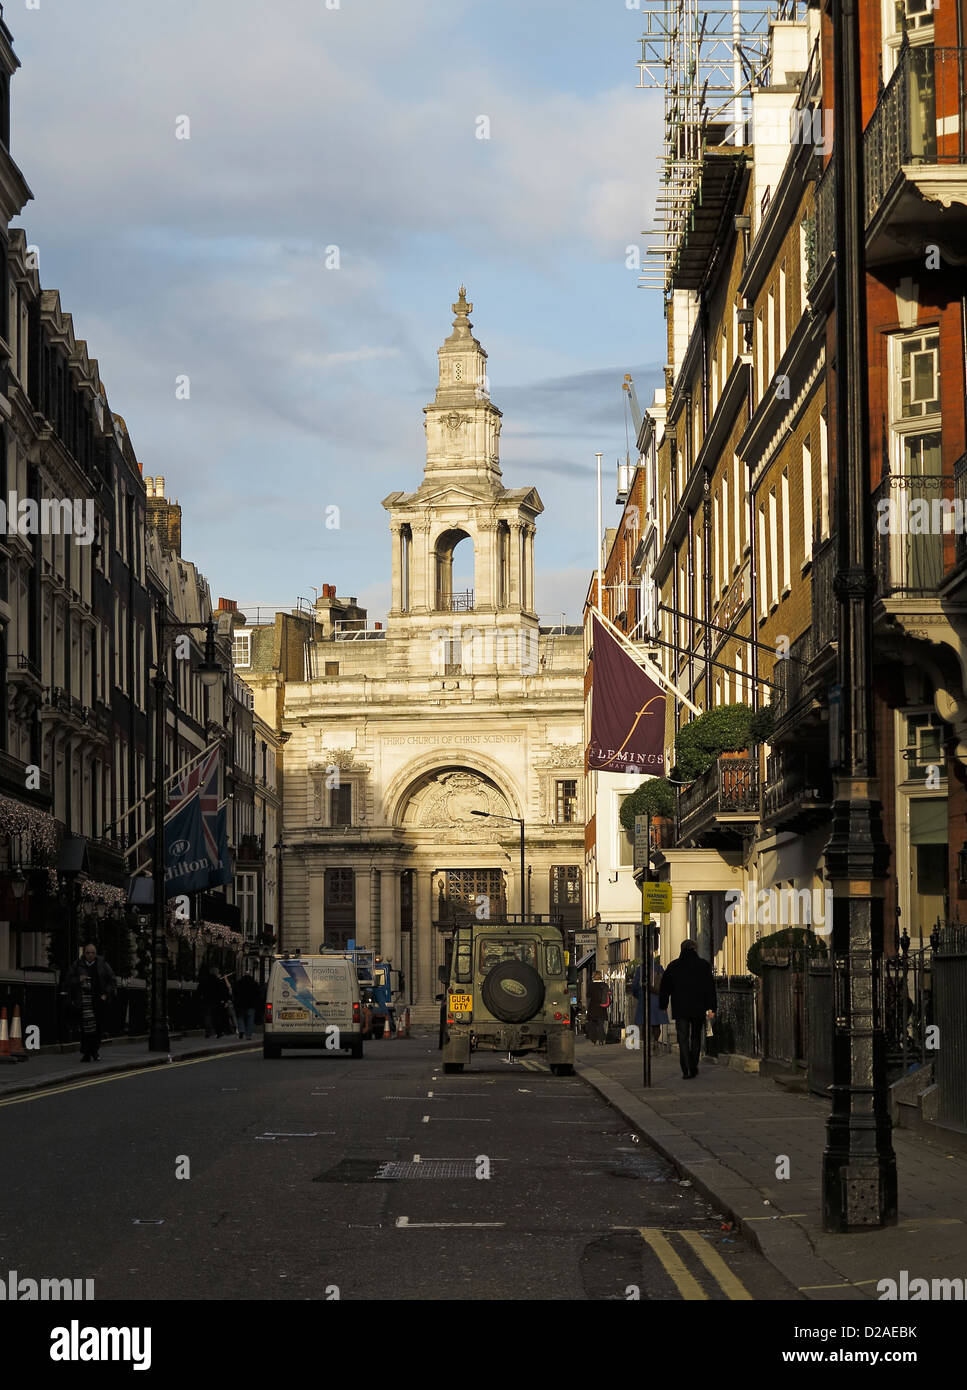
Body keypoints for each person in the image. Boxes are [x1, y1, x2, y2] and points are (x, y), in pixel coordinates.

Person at [658, 938, 716, 1079]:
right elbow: (710, 988)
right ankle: (693, 1064)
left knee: (682, 1038)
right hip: (698, 1007)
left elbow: (665, 987)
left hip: (681, 1007)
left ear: (681, 949)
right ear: (694, 949)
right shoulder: (703, 965)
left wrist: (663, 1005)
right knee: (696, 1036)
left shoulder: (674, 966)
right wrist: (711, 1008)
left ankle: (686, 1068)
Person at [67, 942, 117, 1062]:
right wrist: (78, 979)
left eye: (92, 953)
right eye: (88, 953)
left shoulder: (102, 964)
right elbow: (68, 979)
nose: (90, 955)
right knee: (85, 1028)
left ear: (96, 953)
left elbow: (112, 980)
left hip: (98, 1000)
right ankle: (86, 1053)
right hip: (84, 1001)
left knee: (97, 1028)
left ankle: (94, 1051)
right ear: (84, 953)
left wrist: (105, 994)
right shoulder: (78, 964)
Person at [631, 947, 669, 1051]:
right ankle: (656, 1041)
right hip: (657, 998)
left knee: (645, 1022)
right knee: (656, 1023)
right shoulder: (659, 968)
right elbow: (665, 983)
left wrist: (637, 995)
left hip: (644, 999)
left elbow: (635, 985)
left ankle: (648, 1043)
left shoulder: (640, 969)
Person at [233, 970, 260, 1040]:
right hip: (251, 1004)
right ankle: (248, 1035)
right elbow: (258, 994)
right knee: (250, 1020)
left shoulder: (238, 983)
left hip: (240, 1004)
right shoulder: (254, 983)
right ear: (250, 975)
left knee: (240, 1018)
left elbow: (234, 993)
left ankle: (241, 1030)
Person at [586, 970, 611, 1046]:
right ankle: (602, 1039)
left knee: (593, 1024)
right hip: (602, 1008)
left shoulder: (591, 985)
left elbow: (588, 995)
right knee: (601, 1024)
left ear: (594, 976)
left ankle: (594, 1039)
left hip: (593, 1007)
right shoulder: (605, 985)